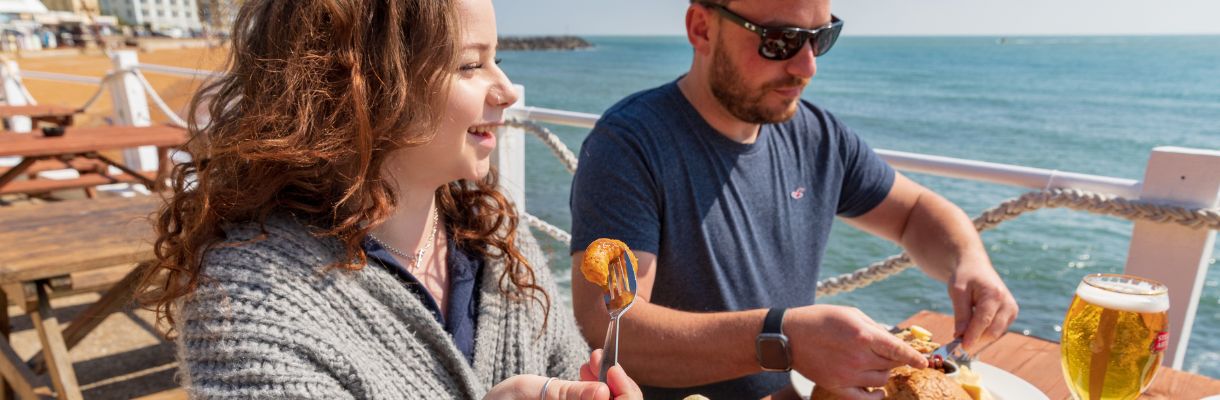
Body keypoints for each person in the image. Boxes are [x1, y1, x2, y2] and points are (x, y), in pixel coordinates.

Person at [136, 0, 642, 399]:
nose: (507, 90)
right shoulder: (249, 304)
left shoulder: (495, 232)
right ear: (359, 85)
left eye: (497, 60)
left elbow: (563, 361)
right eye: (470, 65)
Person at [568, 1, 1020, 399]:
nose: (807, 67)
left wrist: (969, 262)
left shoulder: (818, 136)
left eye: (821, 38)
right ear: (702, 28)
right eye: (780, 40)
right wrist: (782, 339)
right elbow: (614, 328)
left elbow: (915, 213)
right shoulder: (628, 146)